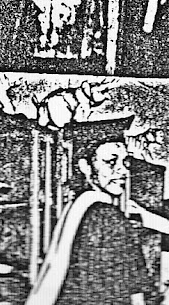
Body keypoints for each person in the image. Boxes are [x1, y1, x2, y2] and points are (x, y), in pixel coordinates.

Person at [27, 116, 156, 305]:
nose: (123, 171)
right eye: (111, 162)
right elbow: (133, 290)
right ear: (86, 167)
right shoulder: (108, 215)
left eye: (125, 162)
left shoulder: (77, 208)